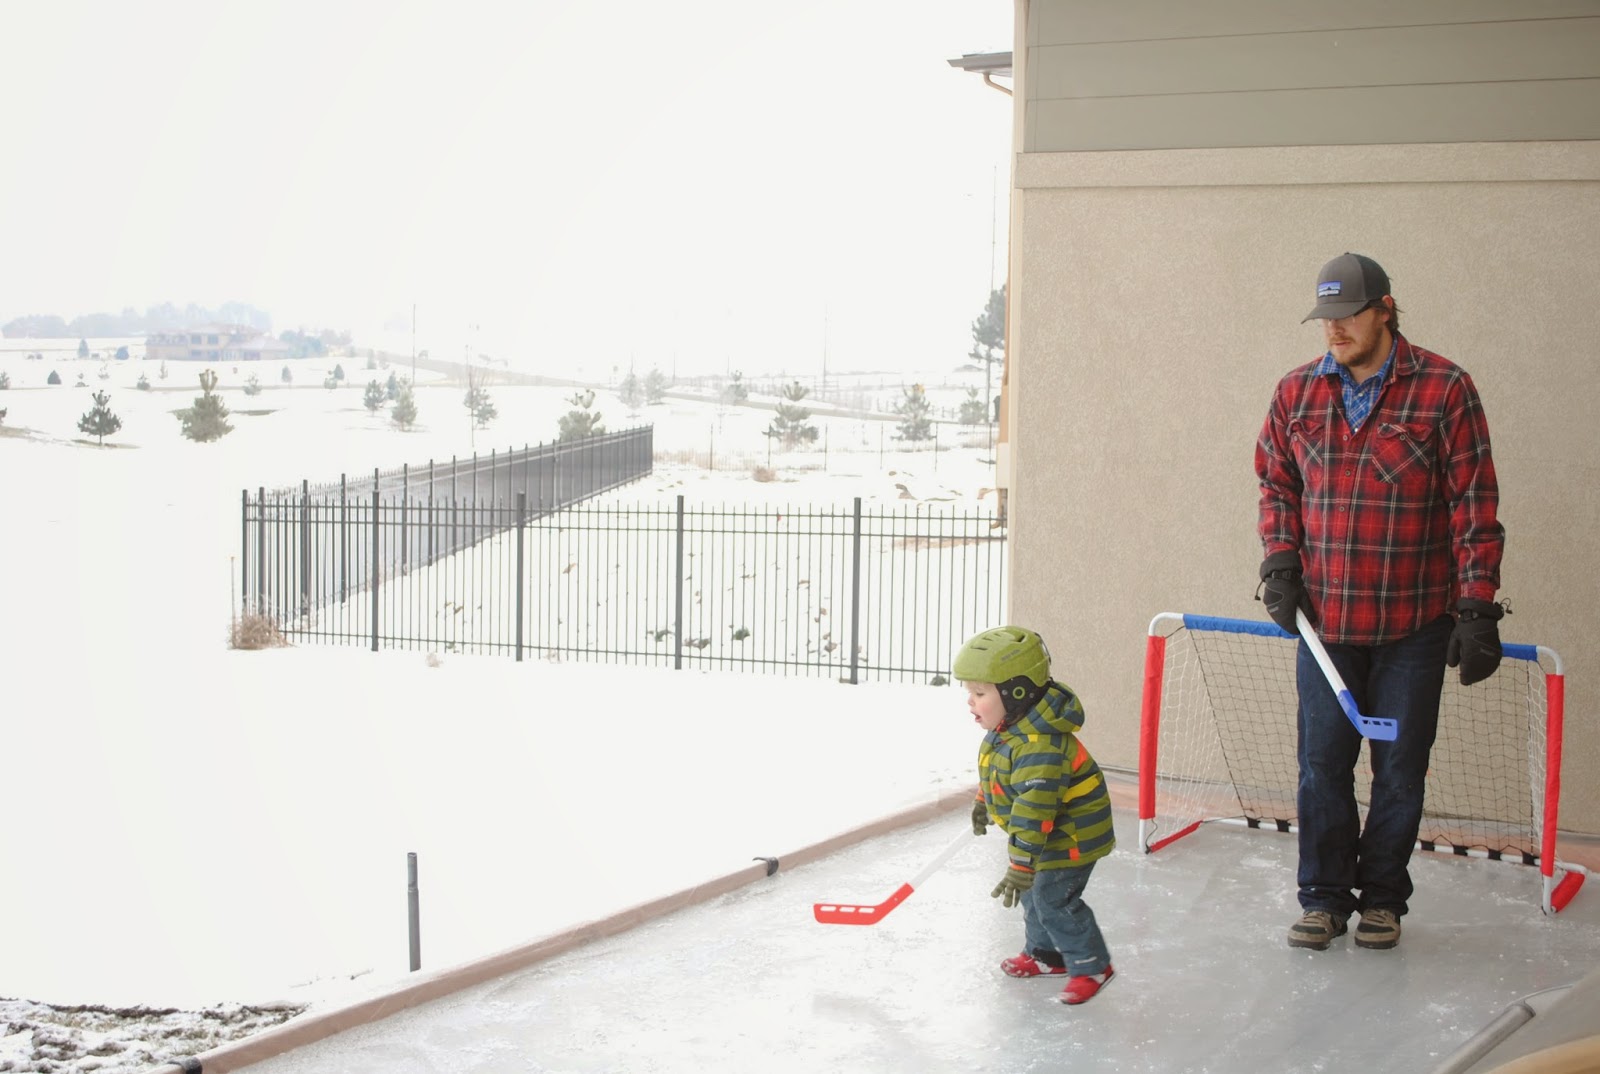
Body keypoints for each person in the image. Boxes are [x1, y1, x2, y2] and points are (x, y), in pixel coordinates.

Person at [1254, 252, 1506, 952]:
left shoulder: (1445, 389)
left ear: (1385, 310)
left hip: (1413, 627)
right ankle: (1324, 898)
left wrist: (1477, 606)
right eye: (1325, 317)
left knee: (1399, 770)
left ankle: (1384, 900)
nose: (1334, 330)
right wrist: (1280, 559)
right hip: (1326, 626)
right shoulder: (1297, 392)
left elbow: (1474, 506)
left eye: (1349, 316)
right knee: (1322, 767)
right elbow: (1277, 484)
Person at [953, 625, 1116, 1004]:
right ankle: (1046, 956)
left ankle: (1092, 966)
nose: (970, 701)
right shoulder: (1009, 730)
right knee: (1033, 895)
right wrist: (984, 801)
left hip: (1071, 837)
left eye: (980, 693)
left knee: (1053, 900)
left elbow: (1033, 810)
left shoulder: (1040, 747)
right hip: (1045, 834)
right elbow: (998, 773)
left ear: (1017, 693)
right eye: (969, 692)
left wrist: (1021, 864)